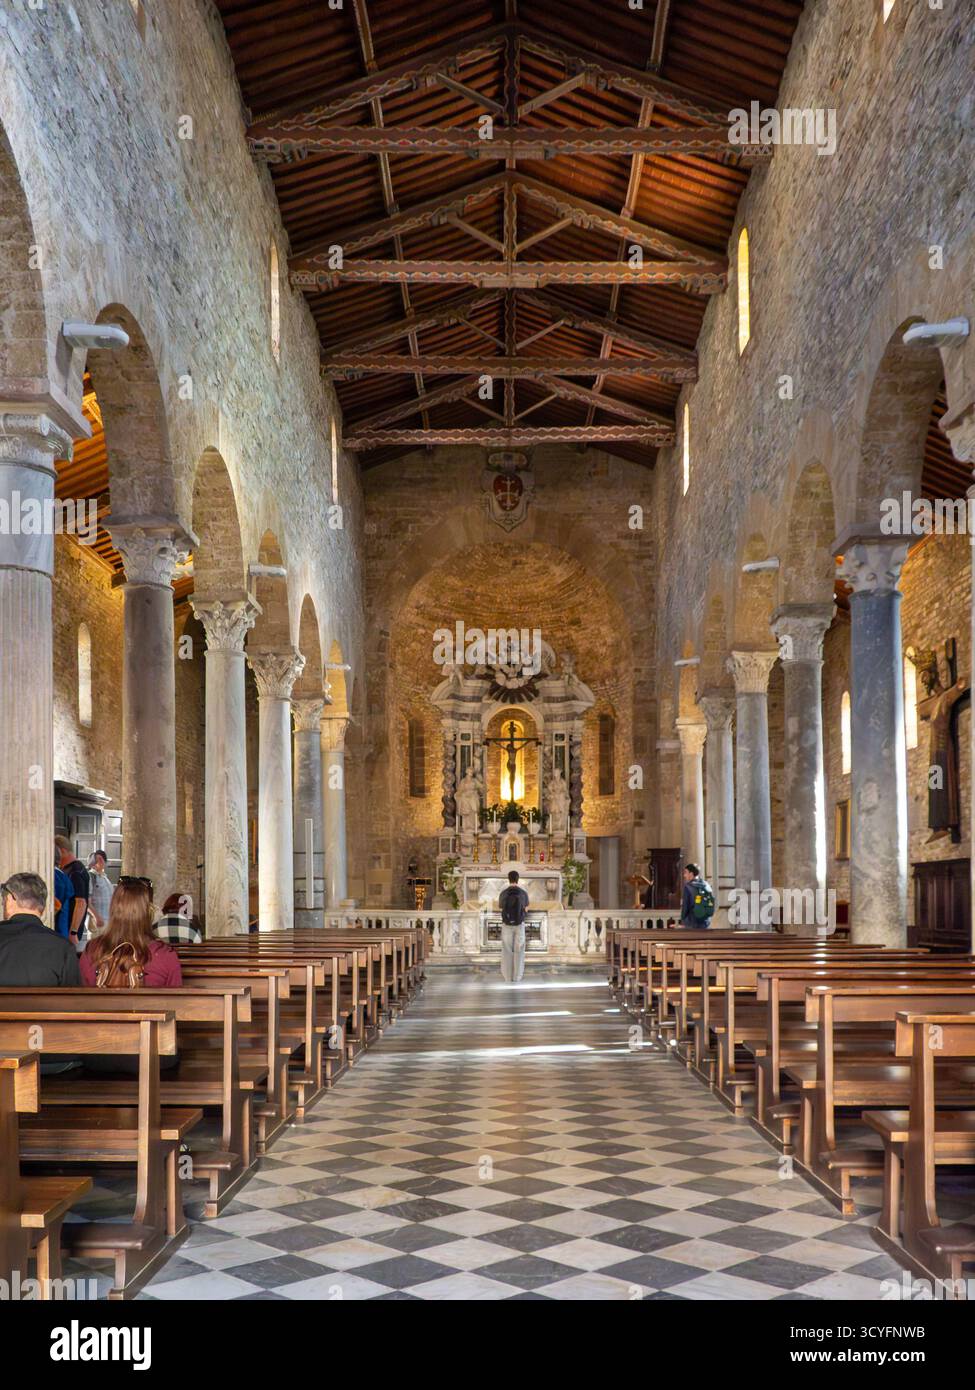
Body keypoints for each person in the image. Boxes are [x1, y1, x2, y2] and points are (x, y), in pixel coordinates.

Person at [79, 879, 183, 988]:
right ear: (147, 912)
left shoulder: (92, 950)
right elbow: (175, 1001)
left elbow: (80, 999)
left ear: (113, 908)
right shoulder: (165, 955)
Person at [0, 873, 82, 986]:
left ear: (10, 899)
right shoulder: (63, 947)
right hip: (47, 1004)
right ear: (42, 907)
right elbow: (74, 999)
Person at [55, 835, 90, 947]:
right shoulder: (69, 869)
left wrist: (73, 932)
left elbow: (81, 902)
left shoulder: (75, 871)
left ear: (62, 851)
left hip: (68, 930)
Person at [498, 869, 529, 982]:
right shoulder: (523, 892)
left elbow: (501, 907)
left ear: (508, 879)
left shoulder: (504, 893)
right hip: (519, 924)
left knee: (507, 950)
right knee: (519, 950)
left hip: (506, 924)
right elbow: (526, 908)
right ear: (518, 879)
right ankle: (517, 977)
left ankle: (507, 977)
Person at [87, 850, 114, 934]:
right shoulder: (90, 876)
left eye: (102, 858)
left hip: (108, 922)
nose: (101, 861)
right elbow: (86, 901)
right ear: (92, 862)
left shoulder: (105, 878)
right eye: (98, 859)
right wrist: (97, 918)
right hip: (97, 923)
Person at [680, 862, 715, 928]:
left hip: (692, 922)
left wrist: (683, 921)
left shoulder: (688, 887)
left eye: (686, 872)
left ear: (691, 873)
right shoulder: (706, 885)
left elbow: (685, 907)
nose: (684, 875)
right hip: (705, 922)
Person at [53, 861, 74, 939]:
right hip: (62, 928)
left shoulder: (55, 875)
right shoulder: (63, 875)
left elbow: (56, 905)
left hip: (55, 928)